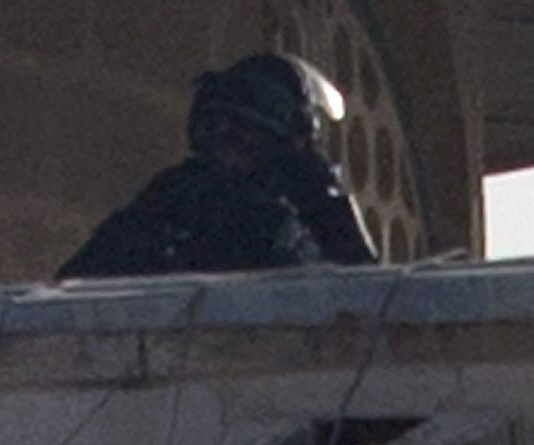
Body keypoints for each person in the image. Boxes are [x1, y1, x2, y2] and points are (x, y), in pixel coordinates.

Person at [58, 54, 379, 279]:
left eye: (244, 134)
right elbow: (82, 282)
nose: (228, 144)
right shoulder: (173, 198)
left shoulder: (301, 203)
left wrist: (320, 193)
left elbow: (369, 295)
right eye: (219, 130)